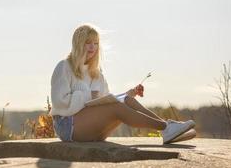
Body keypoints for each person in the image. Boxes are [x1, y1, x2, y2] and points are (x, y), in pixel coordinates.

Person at [50, 24, 195, 144]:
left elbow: (105, 102)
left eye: (95, 43)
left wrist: (127, 94)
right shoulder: (64, 67)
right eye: (88, 43)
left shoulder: (96, 73)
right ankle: (165, 128)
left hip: (91, 129)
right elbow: (60, 103)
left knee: (126, 100)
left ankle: (167, 128)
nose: (92, 47)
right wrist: (86, 95)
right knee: (116, 107)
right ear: (78, 44)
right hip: (67, 126)